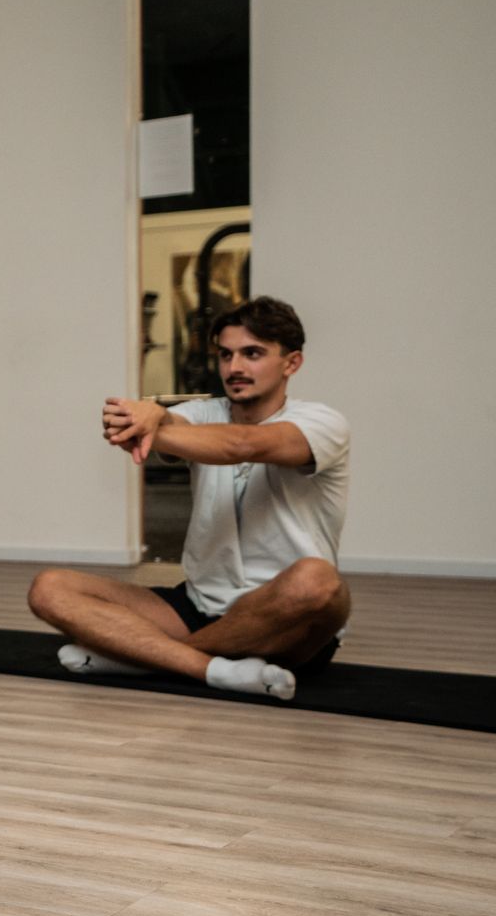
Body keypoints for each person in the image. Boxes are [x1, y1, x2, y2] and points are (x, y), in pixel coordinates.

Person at [27, 296, 350, 701]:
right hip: (197, 607)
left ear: (292, 363)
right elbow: (176, 425)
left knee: (318, 581)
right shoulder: (202, 414)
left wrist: (149, 419)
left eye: (252, 354)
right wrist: (145, 415)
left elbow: (241, 444)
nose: (234, 368)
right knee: (49, 587)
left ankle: (138, 660)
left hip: (285, 616)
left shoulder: (321, 422)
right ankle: (211, 669)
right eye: (226, 355)